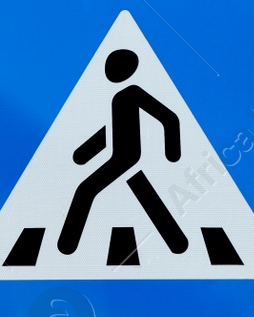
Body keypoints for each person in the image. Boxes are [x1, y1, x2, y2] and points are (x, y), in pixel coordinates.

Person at [57, 49, 189, 256]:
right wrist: (84, 154)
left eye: (114, 66)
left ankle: (66, 246)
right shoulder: (119, 97)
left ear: (127, 70)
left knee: (85, 190)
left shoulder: (133, 93)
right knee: (146, 195)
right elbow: (111, 130)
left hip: (127, 157)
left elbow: (169, 118)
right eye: (108, 65)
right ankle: (178, 243)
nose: (109, 71)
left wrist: (172, 153)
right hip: (122, 157)